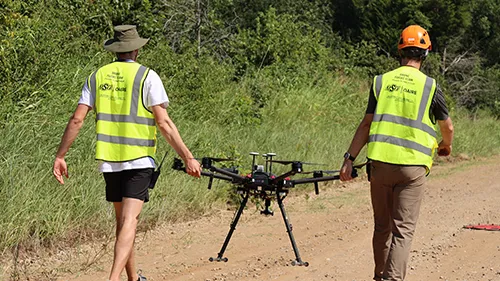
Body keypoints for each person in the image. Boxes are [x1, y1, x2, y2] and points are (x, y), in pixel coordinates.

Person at [52, 25, 201, 281]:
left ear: (116, 49)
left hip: (109, 161)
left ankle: (133, 278)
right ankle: (113, 279)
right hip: (139, 159)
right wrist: (187, 156)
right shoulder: (147, 77)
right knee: (130, 223)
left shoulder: (97, 76)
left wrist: (60, 155)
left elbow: (77, 120)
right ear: (137, 49)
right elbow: (164, 124)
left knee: (123, 225)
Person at [339, 25, 454, 281]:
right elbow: (448, 126)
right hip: (411, 170)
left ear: (399, 50)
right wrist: (446, 145)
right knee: (402, 231)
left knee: (382, 227)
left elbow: (366, 124)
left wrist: (349, 160)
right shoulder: (430, 86)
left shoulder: (381, 81)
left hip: (379, 165)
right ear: (426, 54)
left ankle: (380, 277)